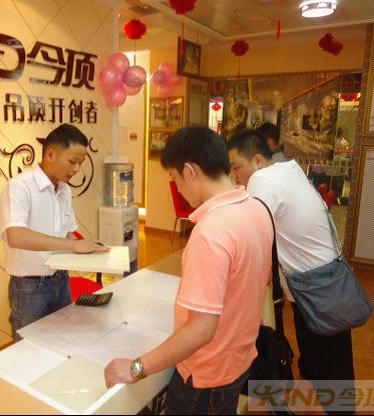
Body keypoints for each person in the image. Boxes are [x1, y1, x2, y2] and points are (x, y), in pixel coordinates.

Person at [104, 126, 273, 415]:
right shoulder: (257, 208)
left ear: (190, 171)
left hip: (205, 376)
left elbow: (201, 330)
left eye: (174, 178)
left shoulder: (210, 232)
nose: (178, 189)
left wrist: (137, 367)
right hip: (238, 360)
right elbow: (260, 279)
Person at [227, 129, 355, 414]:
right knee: (322, 359)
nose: (235, 175)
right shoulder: (288, 170)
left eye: (236, 167)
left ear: (257, 160)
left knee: (330, 363)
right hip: (319, 282)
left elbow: (250, 230)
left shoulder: (262, 180)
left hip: (316, 288)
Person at [0, 124, 108, 342]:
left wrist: (92, 249)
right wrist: (72, 245)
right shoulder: (20, 186)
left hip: (61, 281)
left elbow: (68, 235)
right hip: (29, 287)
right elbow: (16, 235)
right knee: (29, 350)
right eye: (72, 161)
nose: (76, 169)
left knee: (62, 342)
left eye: (80, 163)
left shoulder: (64, 190)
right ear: (50, 154)